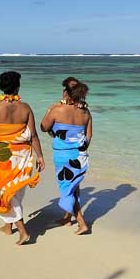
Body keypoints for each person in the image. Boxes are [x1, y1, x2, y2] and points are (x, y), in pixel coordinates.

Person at [0, 70, 44, 245]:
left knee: (7, 194)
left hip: (4, 156)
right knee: (14, 192)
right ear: (17, 86)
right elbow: (33, 136)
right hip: (23, 155)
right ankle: (8, 227)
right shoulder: (25, 108)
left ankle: (23, 232)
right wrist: (39, 156)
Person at [41, 78, 92, 235]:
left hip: (64, 157)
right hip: (80, 157)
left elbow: (43, 127)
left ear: (66, 93)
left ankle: (82, 223)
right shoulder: (86, 112)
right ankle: (67, 218)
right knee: (73, 188)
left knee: (67, 191)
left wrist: (49, 111)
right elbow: (88, 137)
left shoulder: (57, 109)